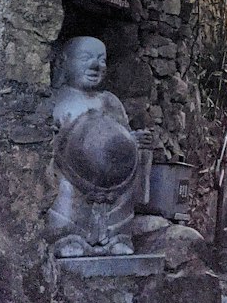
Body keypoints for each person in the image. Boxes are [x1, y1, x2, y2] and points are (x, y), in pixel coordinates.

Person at [47, 37, 152, 257]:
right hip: (71, 176)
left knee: (121, 204)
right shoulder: (59, 100)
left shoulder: (111, 101)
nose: (95, 65)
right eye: (86, 58)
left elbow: (121, 135)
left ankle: (116, 238)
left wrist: (135, 142)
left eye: (101, 60)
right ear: (64, 62)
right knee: (65, 196)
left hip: (115, 182)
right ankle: (67, 237)